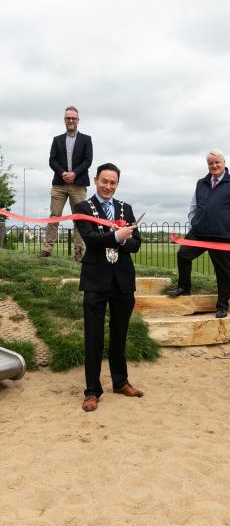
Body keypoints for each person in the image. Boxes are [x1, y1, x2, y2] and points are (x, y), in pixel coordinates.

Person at [73, 163, 143, 412]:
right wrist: (115, 236)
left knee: (119, 335)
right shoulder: (82, 207)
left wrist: (122, 239)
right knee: (93, 337)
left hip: (122, 281)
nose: (108, 186)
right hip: (95, 280)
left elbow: (136, 244)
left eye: (113, 182)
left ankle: (120, 382)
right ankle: (92, 391)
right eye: (104, 181)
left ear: (117, 184)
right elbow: (90, 239)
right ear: (95, 180)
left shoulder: (126, 208)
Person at [168, 150, 230, 318]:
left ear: (224, 162)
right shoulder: (201, 183)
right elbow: (193, 206)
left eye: (217, 162)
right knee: (183, 255)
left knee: (223, 271)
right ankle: (184, 287)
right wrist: (195, 222)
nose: (214, 166)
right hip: (199, 233)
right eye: (210, 163)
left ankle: (222, 306)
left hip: (223, 236)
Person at [40, 106, 93, 262]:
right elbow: (52, 160)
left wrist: (74, 173)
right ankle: (47, 249)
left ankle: (78, 251)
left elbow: (87, 160)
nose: (71, 121)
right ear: (64, 120)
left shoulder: (86, 139)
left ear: (78, 120)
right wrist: (63, 173)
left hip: (79, 184)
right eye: (68, 118)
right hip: (59, 184)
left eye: (73, 118)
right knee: (54, 216)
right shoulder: (57, 140)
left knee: (79, 218)